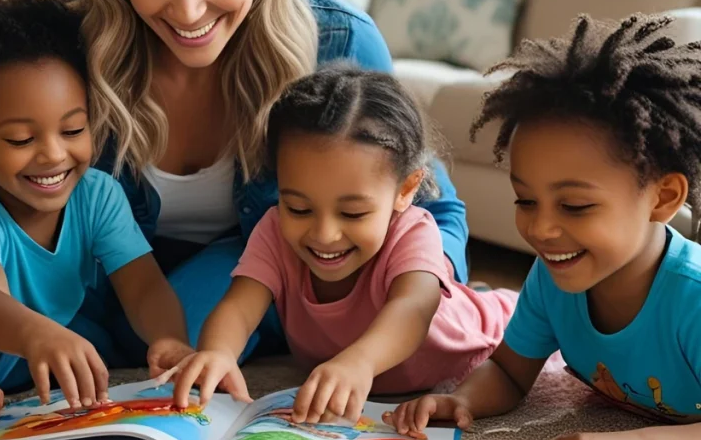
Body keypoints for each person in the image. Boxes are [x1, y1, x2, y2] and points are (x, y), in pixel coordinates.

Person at [0, 0, 471, 413]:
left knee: (200, 330)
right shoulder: (49, 45)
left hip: (252, 271)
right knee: (6, 320)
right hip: (97, 278)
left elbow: (429, 207)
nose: (188, 7)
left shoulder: (337, 40)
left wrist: (414, 290)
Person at [384, 13, 701, 440]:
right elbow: (511, 370)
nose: (541, 228)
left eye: (574, 205)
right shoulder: (553, 276)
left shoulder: (692, 300)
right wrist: (463, 399)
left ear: (662, 198)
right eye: (525, 200)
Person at [172, 63, 516, 421]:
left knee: (507, 320)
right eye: (299, 208)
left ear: (406, 191)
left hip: (485, 336)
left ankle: (480, 297)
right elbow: (239, 307)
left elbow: (413, 309)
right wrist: (218, 353)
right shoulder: (274, 230)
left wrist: (360, 361)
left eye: (352, 214)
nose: (324, 234)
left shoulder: (414, 230)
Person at [0, 0, 193, 420]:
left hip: (41, 338)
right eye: (22, 138)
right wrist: (37, 336)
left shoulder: (98, 194)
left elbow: (142, 286)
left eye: (72, 130)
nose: (53, 154)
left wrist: (170, 338)